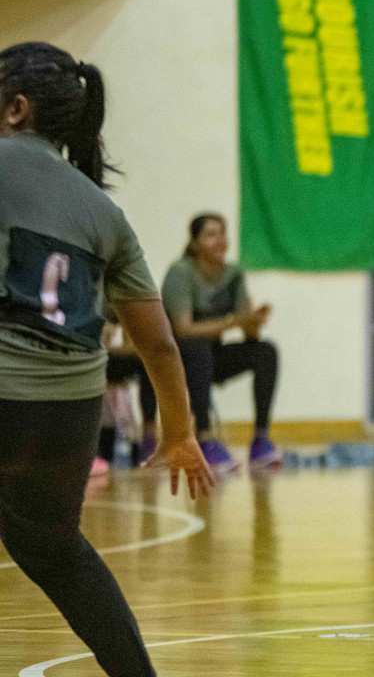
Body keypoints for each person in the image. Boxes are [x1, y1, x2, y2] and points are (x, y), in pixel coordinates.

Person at [0, 41, 214, 677]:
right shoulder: (104, 211)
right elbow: (158, 344)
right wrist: (179, 432)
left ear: (15, 108)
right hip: (68, 411)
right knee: (57, 551)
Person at [138, 213, 279, 472]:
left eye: (223, 233)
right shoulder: (181, 271)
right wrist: (234, 321)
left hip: (211, 357)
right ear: (194, 243)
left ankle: (261, 440)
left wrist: (253, 322)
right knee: (198, 348)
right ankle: (204, 438)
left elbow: (246, 333)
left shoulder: (234, 274)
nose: (220, 240)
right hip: (178, 358)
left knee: (265, 352)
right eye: (211, 234)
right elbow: (183, 329)